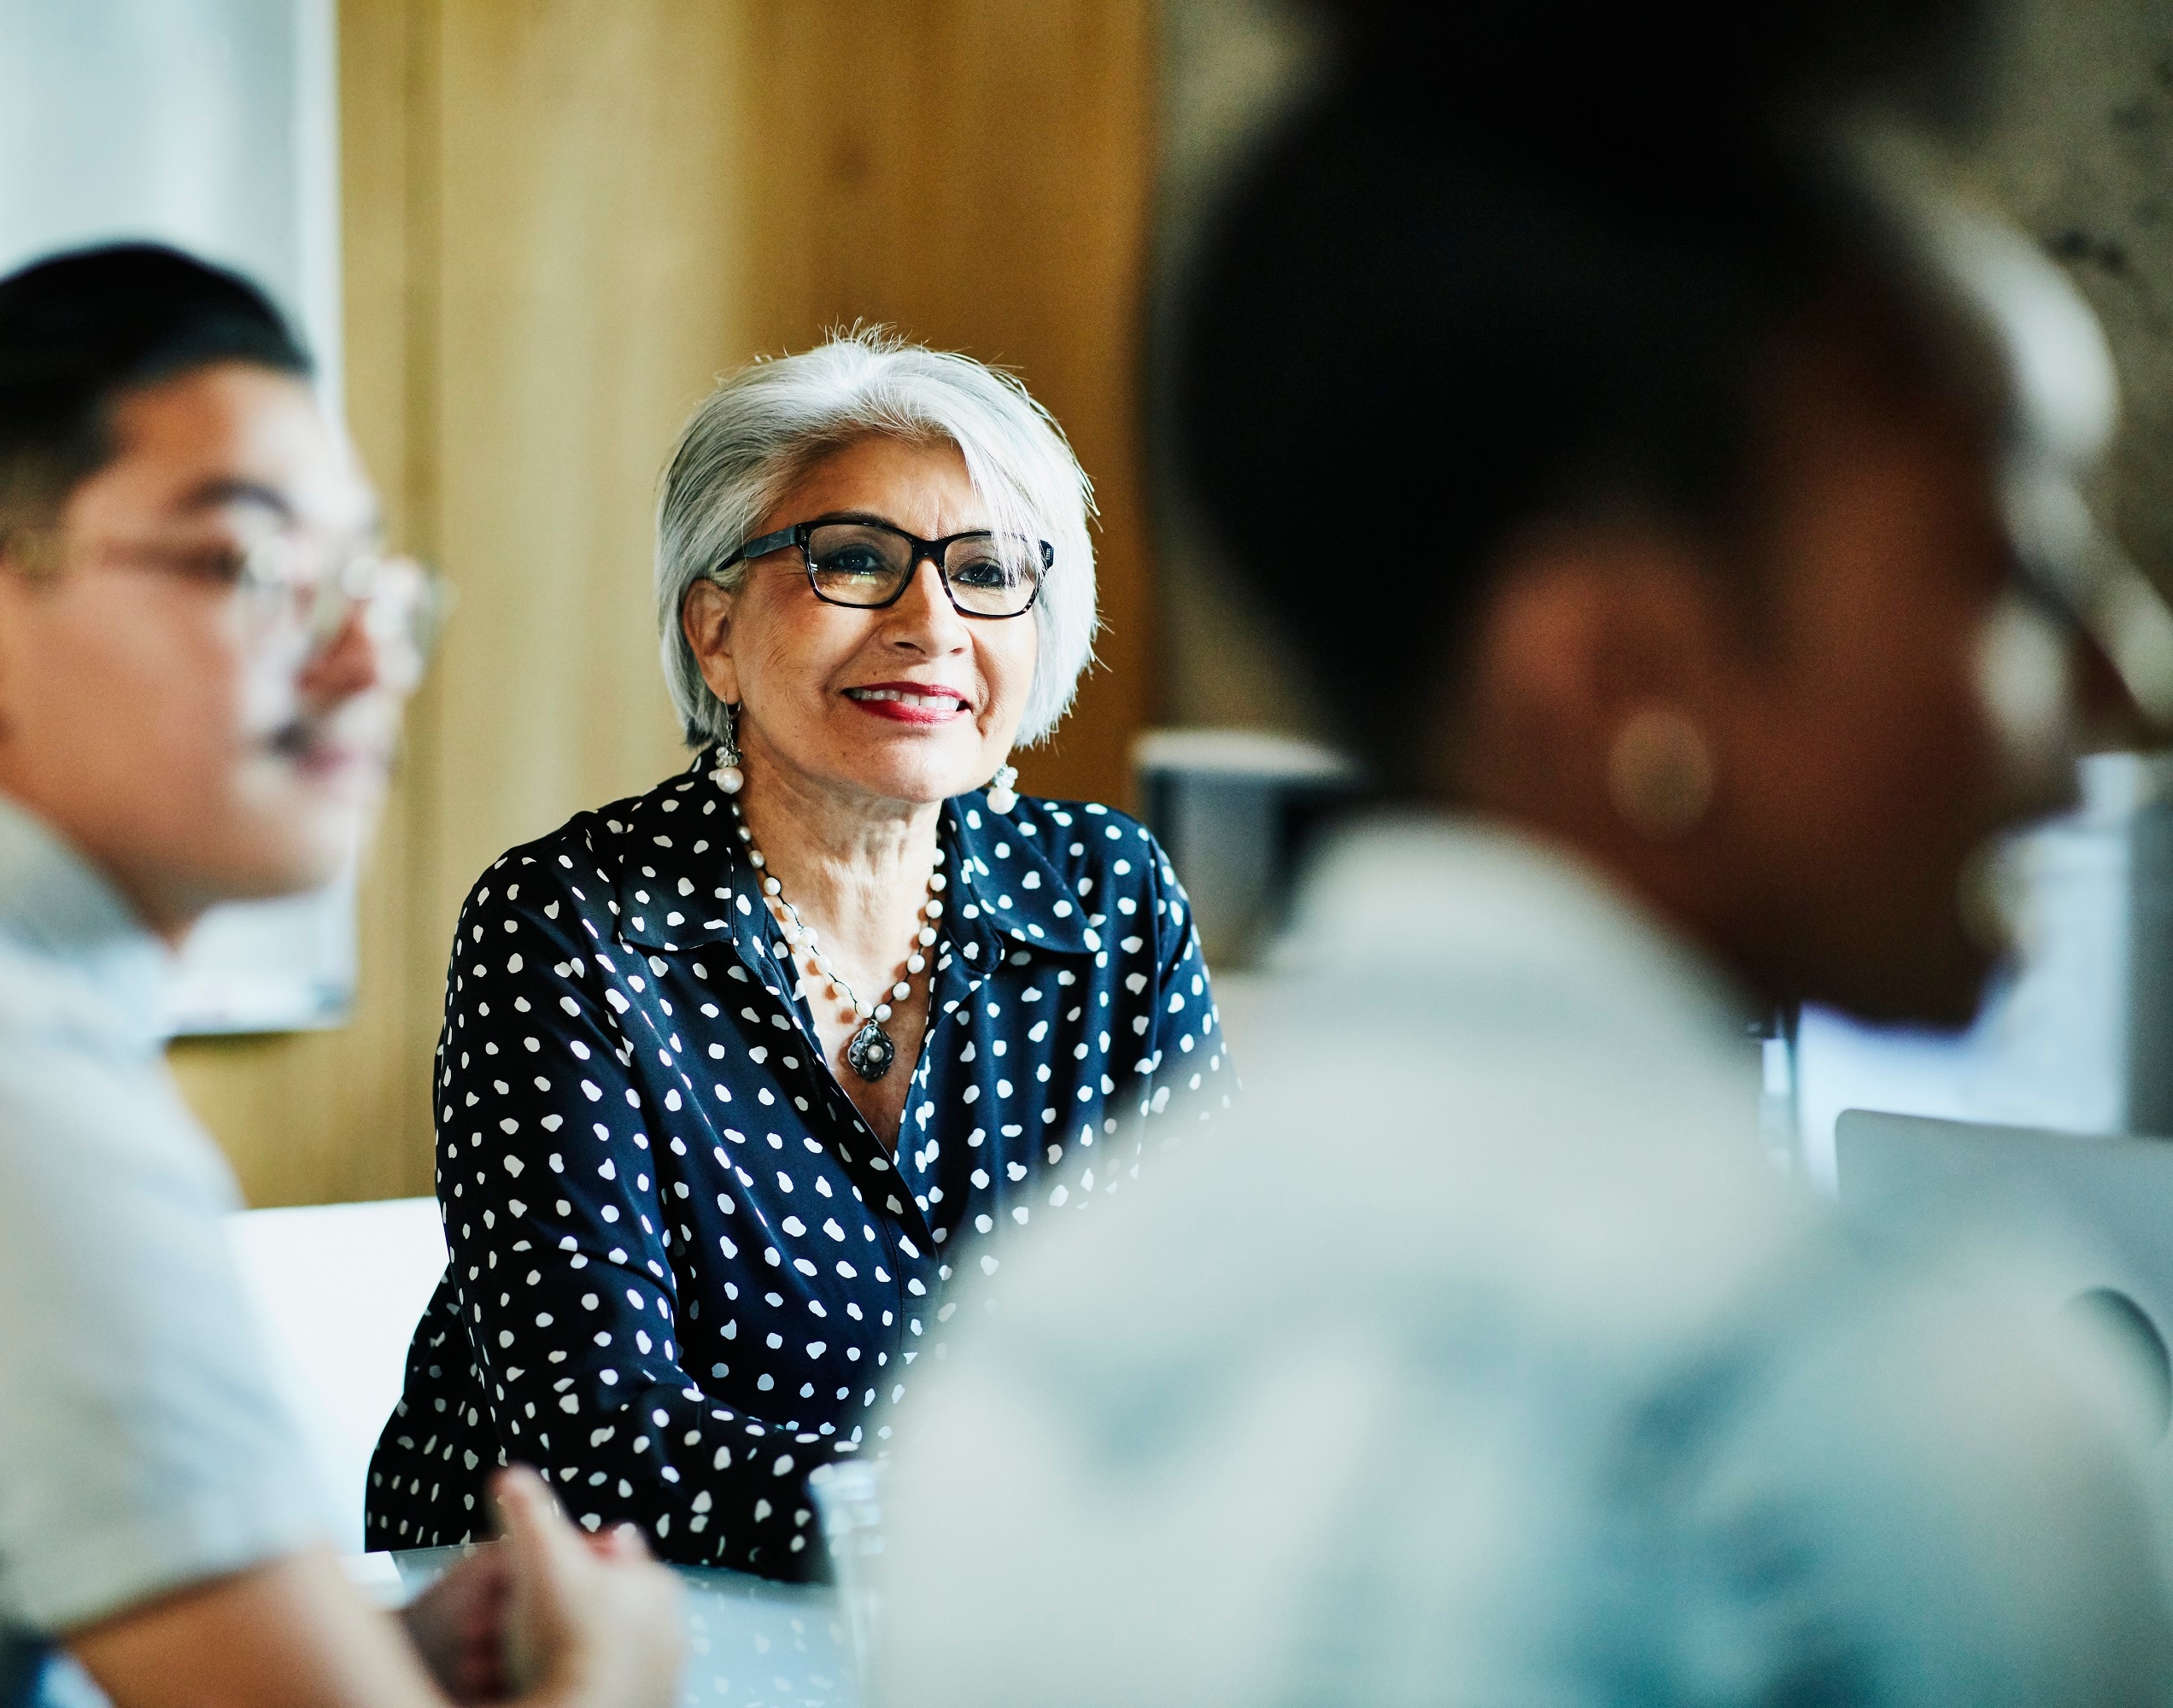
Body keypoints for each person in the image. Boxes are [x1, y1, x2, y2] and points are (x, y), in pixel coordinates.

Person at [867, 9, 2173, 1705]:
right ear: (1621, 673)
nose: (2123, 676)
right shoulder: (1907, 1414)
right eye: (2010, 561)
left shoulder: (1021, 1364)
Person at [0, 244, 682, 1708]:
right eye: (252, 567)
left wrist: (366, 1663)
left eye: (369, 580)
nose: (368, 653)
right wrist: (610, 1684)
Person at [366, 333, 1234, 1576]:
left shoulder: (1111, 902)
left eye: (988, 571)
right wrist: (963, 1536)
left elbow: (1216, 1336)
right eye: (856, 562)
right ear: (715, 632)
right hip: (596, 1633)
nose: (930, 623)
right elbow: (597, 1439)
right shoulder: (570, 925)